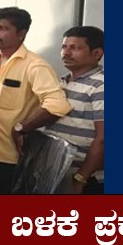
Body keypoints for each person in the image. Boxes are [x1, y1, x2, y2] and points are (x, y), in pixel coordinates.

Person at [0, 7, 72, 194]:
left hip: (8, 157)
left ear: (21, 34)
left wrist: (22, 127)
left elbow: (57, 105)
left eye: (2, 28)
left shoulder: (35, 66)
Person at [44, 26, 104, 194]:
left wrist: (81, 178)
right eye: (64, 47)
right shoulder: (61, 82)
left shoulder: (100, 86)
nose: (66, 53)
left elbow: (103, 139)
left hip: (84, 177)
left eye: (75, 48)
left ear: (96, 53)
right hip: (56, 171)